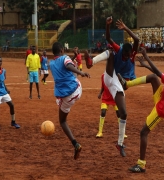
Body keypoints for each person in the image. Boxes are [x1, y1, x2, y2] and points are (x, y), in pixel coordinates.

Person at [117, 47, 164, 173]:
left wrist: (146, 57)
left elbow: (161, 74)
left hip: (161, 109)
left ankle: (141, 164)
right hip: (161, 97)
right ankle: (126, 84)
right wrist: (145, 64)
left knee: (143, 132)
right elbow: (159, 73)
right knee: (153, 77)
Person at [84, 16, 139, 157]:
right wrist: (107, 25)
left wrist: (126, 27)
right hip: (110, 76)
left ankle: (119, 143)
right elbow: (108, 38)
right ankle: (91, 62)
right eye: (125, 55)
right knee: (110, 52)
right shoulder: (119, 50)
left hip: (118, 82)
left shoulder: (132, 55)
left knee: (124, 113)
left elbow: (137, 40)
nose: (126, 57)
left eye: (128, 55)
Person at [49, 42, 90, 160]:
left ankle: (75, 144)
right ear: (62, 50)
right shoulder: (65, 58)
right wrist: (81, 72)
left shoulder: (51, 63)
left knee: (62, 121)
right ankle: (76, 145)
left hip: (66, 97)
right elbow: (67, 64)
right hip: (77, 89)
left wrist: (79, 69)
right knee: (72, 76)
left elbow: (65, 64)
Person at [0, 57, 21, 130]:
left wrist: (6, 89)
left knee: (12, 105)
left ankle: (13, 122)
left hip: (3, 92)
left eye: (1, 61)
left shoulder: (4, 71)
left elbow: (2, 81)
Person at [96, 73, 127, 138]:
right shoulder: (103, 76)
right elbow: (103, 86)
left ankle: (122, 133)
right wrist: (100, 93)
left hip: (115, 98)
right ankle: (100, 132)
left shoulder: (117, 76)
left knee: (119, 114)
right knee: (103, 112)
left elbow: (122, 86)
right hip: (105, 98)